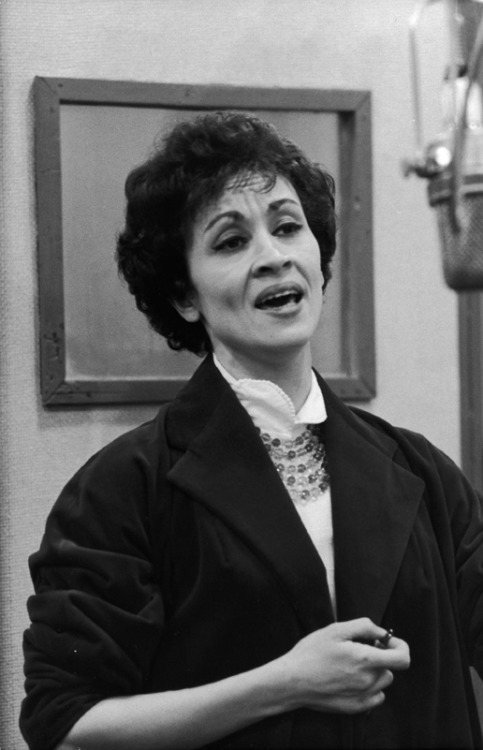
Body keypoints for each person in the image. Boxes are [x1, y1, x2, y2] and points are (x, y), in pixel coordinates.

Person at [20, 111, 483, 750]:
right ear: (185, 295)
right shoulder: (121, 489)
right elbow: (67, 724)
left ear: (318, 258)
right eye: (232, 241)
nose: (273, 257)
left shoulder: (421, 469)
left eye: (288, 227)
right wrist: (283, 683)